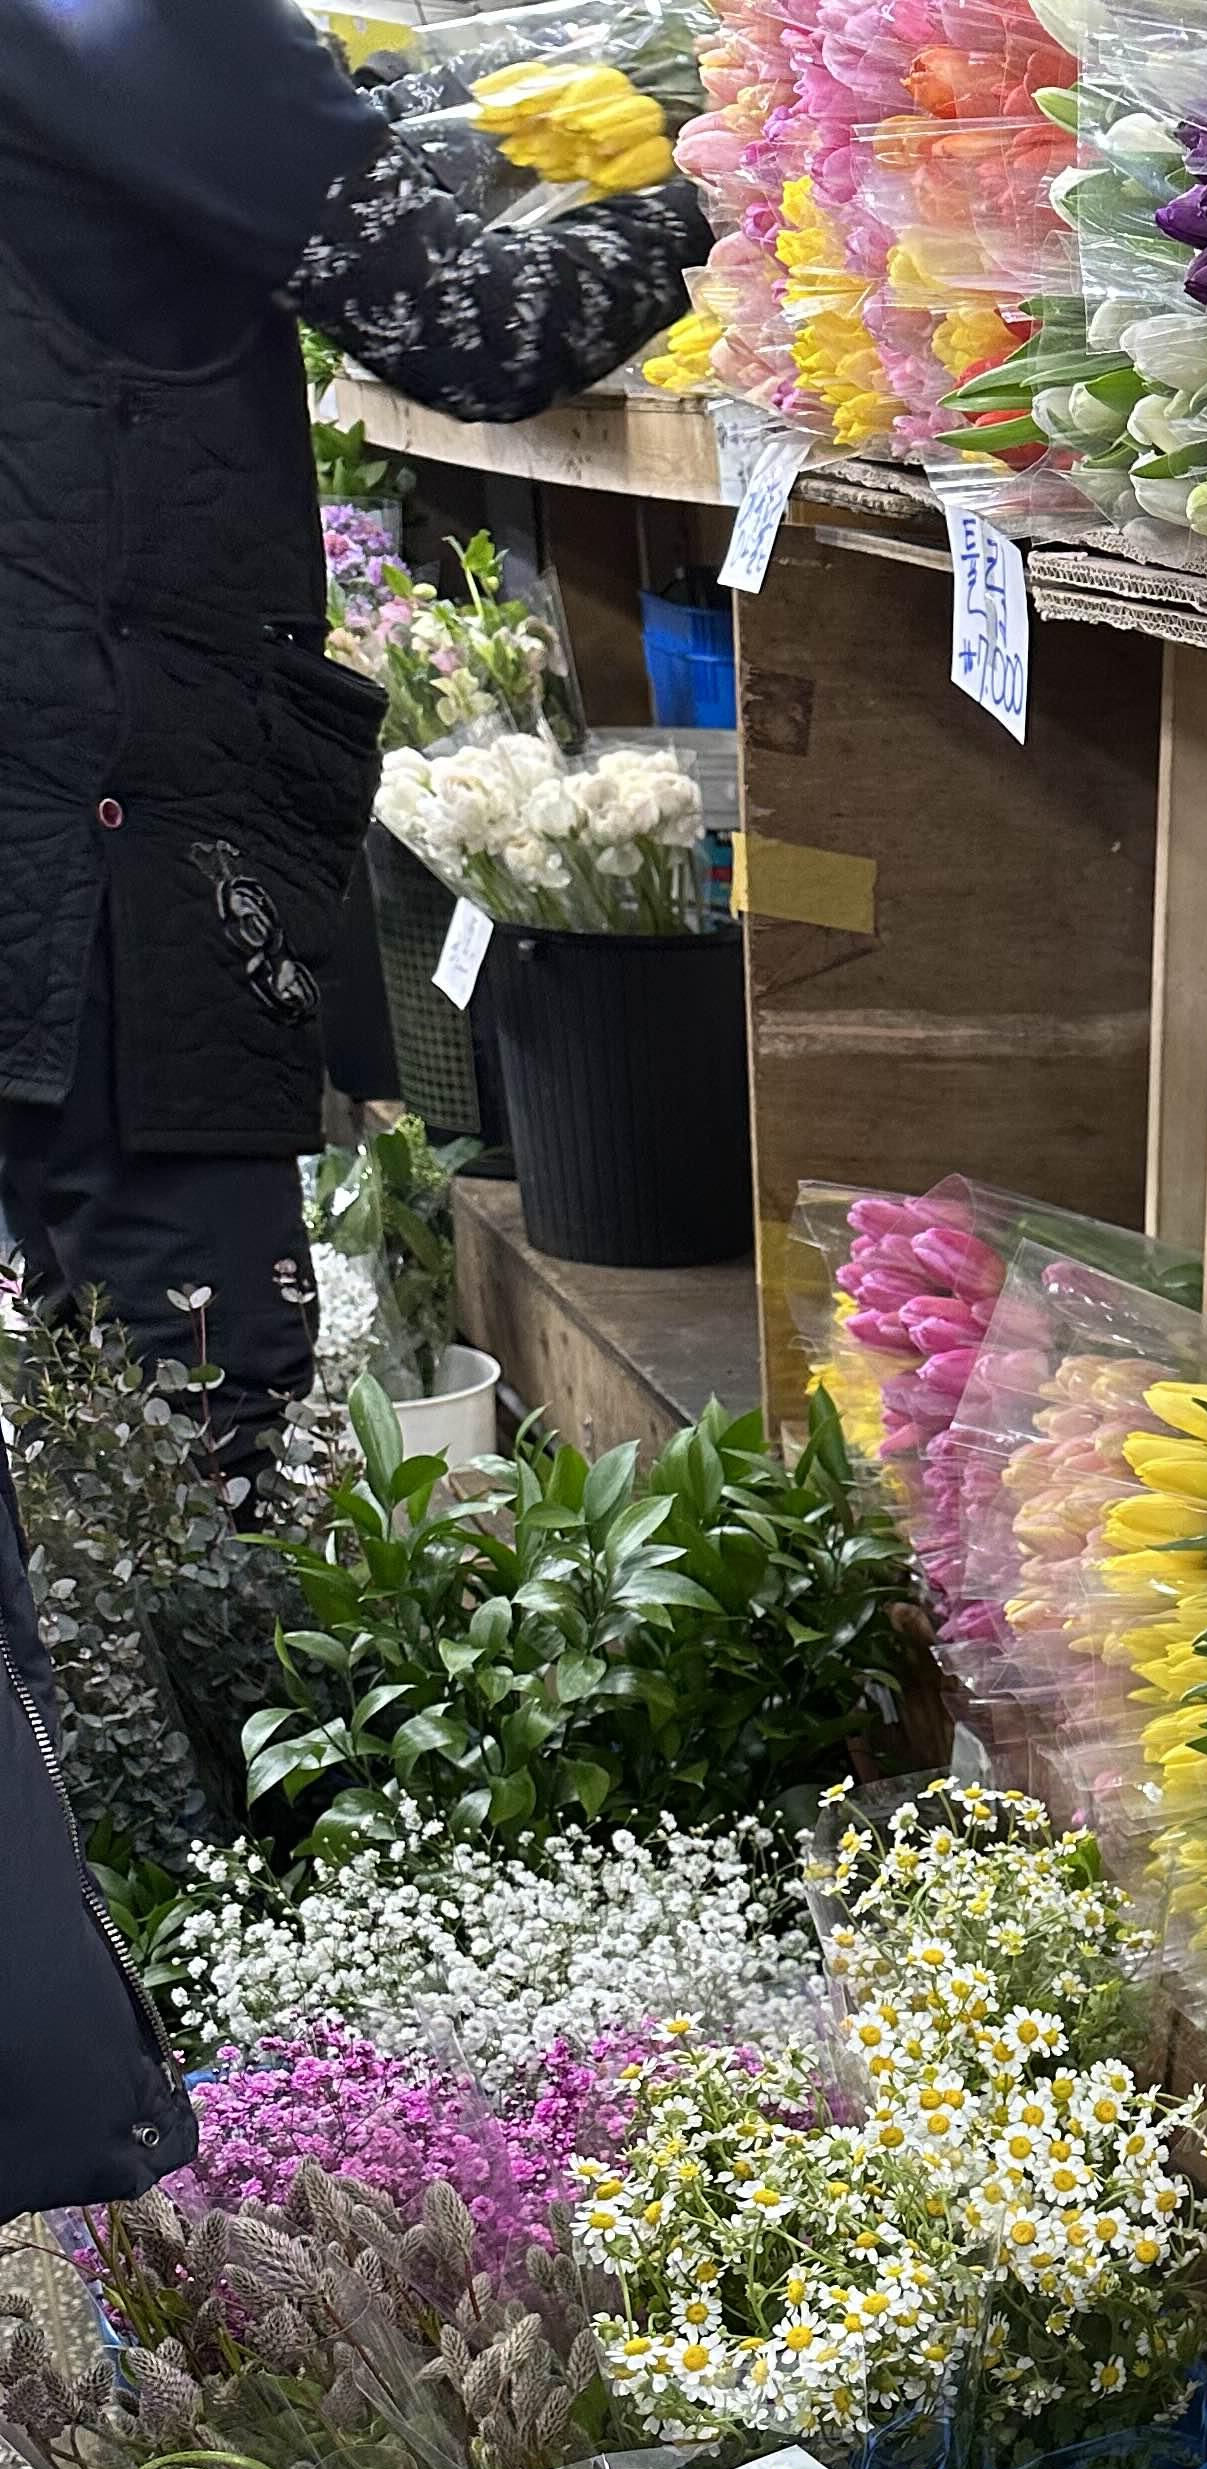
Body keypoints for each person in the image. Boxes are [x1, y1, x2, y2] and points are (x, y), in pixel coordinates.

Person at [0, 0, 709, 1465]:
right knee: (198, 1402)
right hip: (112, 821)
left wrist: (451, 110)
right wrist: (739, 188)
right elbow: (478, 332)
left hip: (60, 789)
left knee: (88, 1381)